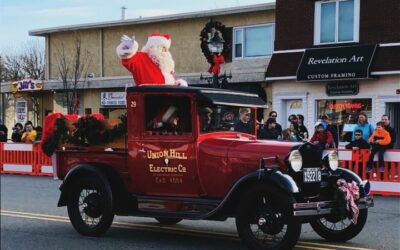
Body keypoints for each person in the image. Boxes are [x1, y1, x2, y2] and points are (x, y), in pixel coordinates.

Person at [116, 33, 187, 86]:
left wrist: (177, 84)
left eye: (166, 49)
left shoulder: (166, 65)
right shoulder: (141, 57)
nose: (165, 51)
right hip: (149, 98)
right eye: (162, 47)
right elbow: (128, 59)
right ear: (152, 47)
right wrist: (129, 48)